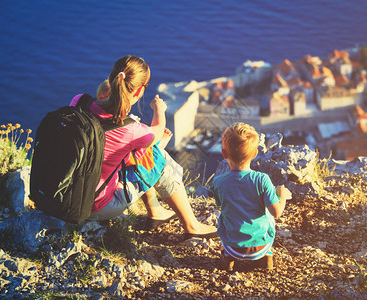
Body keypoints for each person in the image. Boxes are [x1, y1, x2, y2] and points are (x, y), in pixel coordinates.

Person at [71, 55, 216, 238]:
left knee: (142, 153)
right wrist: (159, 110)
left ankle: (156, 212)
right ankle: (192, 226)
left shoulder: (78, 102)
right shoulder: (130, 129)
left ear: (112, 78)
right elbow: (157, 132)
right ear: (139, 91)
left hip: (65, 193)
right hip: (94, 206)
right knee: (156, 158)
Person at [212, 122, 292, 271]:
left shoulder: (218, 181)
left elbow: (220, 204)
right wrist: (282, 196)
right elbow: (277, 213)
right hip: (261, 246)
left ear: (224, 154)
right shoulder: (262, 180)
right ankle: (267, 256)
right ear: (255, 154)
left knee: (223, 216)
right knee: (267, 213)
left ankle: (228, 258)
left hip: (232, 247)